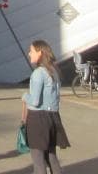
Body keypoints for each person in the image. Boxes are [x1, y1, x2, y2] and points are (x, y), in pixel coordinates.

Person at [22, 41, 69, 174]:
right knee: (52, 157)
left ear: (40, 52)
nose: (29, 53)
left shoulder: (38, 73)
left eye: (31, 50)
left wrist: (25, 96)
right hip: (53, 118)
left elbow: (35, 101)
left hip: (38, 119)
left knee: (38, 162)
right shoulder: (54, 71)